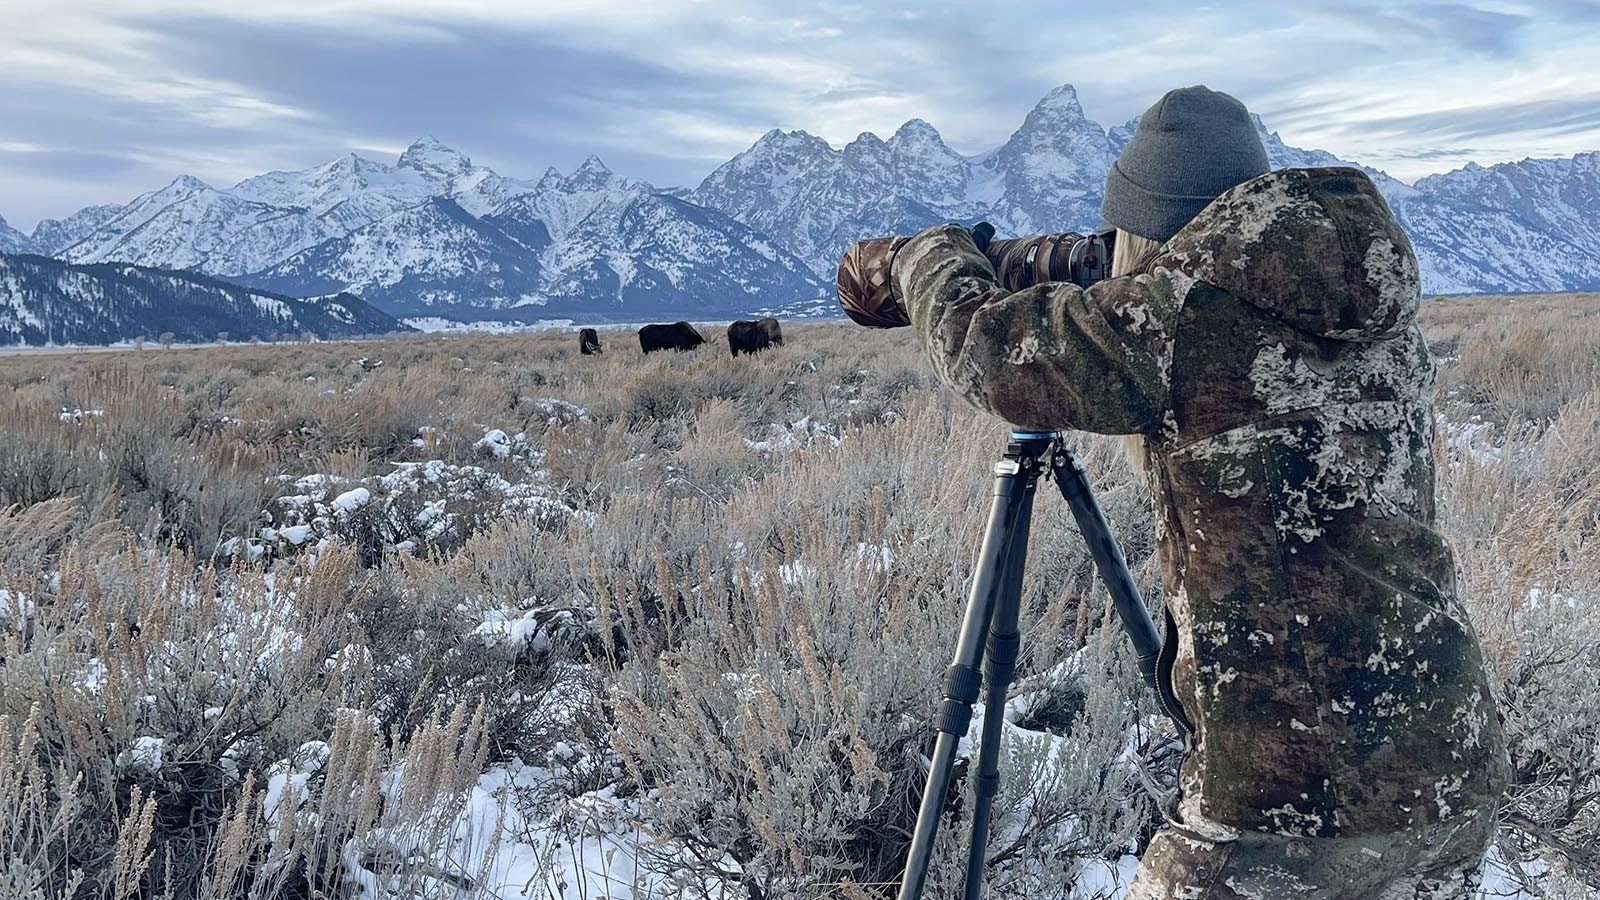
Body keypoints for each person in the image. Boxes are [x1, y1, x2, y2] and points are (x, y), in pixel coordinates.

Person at [888, 86, 1509, 898]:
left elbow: (989, 352)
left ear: (1151, 225)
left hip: (1285, 801)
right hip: (1450, 763)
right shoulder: (1372, 304)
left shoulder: (1183, 313)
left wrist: (922, 257)